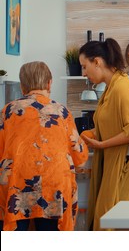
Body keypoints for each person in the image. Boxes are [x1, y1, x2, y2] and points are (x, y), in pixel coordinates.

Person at [0, 61, 88, 231]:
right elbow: (80, 157)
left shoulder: (8, 111)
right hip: (54, 185)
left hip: (17, 183)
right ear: (49, 83)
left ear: (23, 86)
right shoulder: (62, 112)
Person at [79, 38, 129, 230]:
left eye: (85, 66)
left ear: (97, 62)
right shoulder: (112, 88)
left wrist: (101, 144)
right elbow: (111, 125)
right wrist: (92, 133)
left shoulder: (123, 88)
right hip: (113, 165)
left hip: (124, 168)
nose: (84, 73)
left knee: (115, 227)